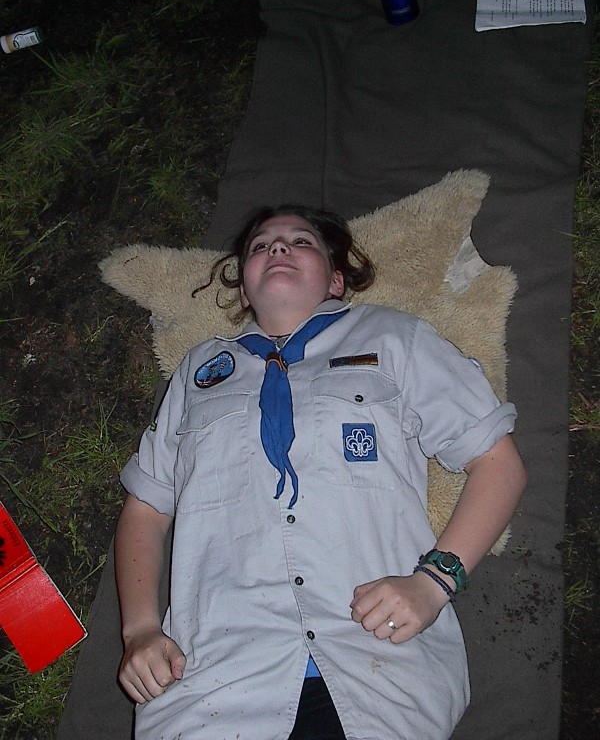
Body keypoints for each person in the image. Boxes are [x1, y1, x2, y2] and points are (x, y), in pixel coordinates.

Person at [114, 205, 527, 740]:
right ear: (245, 292)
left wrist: (434, 582)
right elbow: (145, 511)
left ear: (335, 280)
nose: (277, 248)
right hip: (210, 681)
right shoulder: (197, 372)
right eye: (260, 245)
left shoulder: (395, 337)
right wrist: (140, 630)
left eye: (300, 241)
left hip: (379, 667)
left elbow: (498, 464)